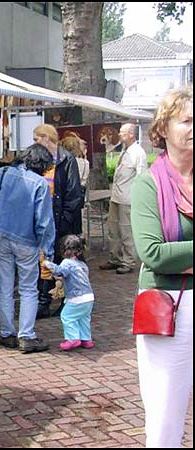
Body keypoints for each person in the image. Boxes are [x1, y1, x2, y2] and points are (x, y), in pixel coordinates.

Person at [130, 86, 192, 448]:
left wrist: (181, 256)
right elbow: (153, 253)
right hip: (168, 307)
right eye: (186, 120)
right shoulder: (147, 185)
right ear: (164, 129)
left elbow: (172, 253)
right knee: (166, 411)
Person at [0, 144, 56, 353]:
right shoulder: (40, 184)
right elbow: (44, 222)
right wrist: (47, 250)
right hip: (27, 241)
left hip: (1, 236)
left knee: (4, 287)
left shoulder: (2, 173)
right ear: (43, 165)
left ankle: (7, 333)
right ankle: (26, 336)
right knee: (28, 289)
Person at [32, 124, 83, 318]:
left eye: (37, 139)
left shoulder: (66, 160)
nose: (35, 143)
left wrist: (65, 220)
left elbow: (73, 193)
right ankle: (44, 301)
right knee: (45, 260)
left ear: (47, 138)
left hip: (61, 221)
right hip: (45, 219)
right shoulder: (42, 160)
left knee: (65, 261)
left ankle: (65, 301)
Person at [99, 123, 148, 275]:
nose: (119, 135)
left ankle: (128, 261)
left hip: (128, 198)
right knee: (113, 229)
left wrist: (139, 199)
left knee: (126, 231)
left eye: (123, 133)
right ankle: (115, 258)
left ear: (132, 134)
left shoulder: (138, 153)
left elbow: (142, 176)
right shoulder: (124, 150)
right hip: (116, 196)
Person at [43, 235, 95, 351]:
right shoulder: (82, 264)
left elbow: (60, 271)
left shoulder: (67, 262)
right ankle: (86, 339)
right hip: (89, 296)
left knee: (67, 316)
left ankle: (72, 339)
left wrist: (48, 264)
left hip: (77, 297)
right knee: (83, 318)